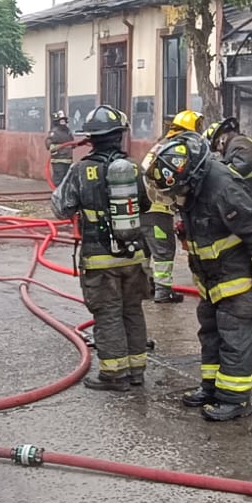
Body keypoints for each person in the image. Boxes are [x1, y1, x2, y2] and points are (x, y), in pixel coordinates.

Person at [145, 132, 252, 422]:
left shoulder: (223, 188)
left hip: (237, 281)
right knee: (210, 336)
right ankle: (211, 388)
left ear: (191, 177)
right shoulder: (194, 187)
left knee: (234, 340)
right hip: (210, 281)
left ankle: (235, 400)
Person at [51, 105, 152, 390]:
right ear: (119, 136)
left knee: (108, 312)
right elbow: (144, 204)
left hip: (99, 258)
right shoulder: (132, 167)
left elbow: (61, 208)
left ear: (91, 139)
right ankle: (136, 372)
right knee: (132, 309)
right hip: (134, 253)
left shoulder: (81, 170)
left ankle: (113, 375)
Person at [140, 109, 201, 304]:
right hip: (157, 208)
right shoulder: (178, 148)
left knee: (144, 250)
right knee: (163, 251)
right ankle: (162, 292)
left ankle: (142, 288)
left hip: (143, 207)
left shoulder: (163, 144)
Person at [46, 111, 76, 186]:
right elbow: (48, 143)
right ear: (57, 121)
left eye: (64, 120)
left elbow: (72, 142)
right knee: (59, 178)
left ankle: (64, 194)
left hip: (68, 159)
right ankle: (56, 193)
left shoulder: (68, 131)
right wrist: (54, 149)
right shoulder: (54, 132)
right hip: (58, 160)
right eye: (61, 120)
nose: (63, 122)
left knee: (68, 178)